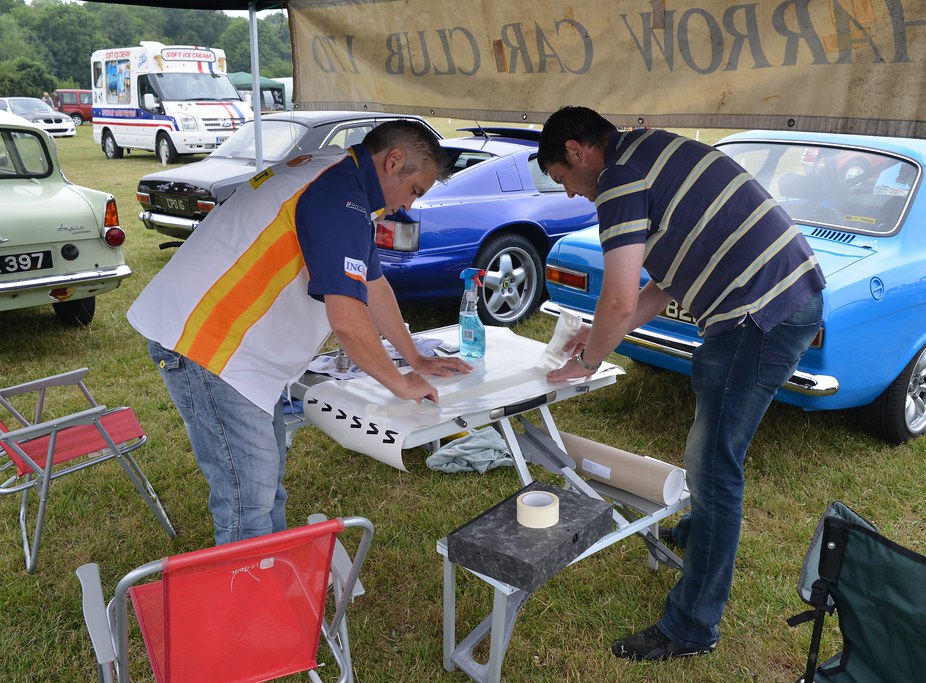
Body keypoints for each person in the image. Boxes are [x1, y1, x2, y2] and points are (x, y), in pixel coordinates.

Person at [537, 107, 826, 662]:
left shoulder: (617, 180)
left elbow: (619, 298)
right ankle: (697, 533)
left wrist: (588, 360)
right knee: (713, 440)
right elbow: (662, 284)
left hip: (756, 313)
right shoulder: (649, 151)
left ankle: (692, 625)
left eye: (562, 179)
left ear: (576, 152)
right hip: (783, 294)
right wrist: (598, 339)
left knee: (714, 466)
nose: (572, 194)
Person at [128, 120, 473, 545]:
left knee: (266, 489)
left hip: (236, 353)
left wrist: (416, 357)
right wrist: (400, 382)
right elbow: (347, 320)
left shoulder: (344, 181)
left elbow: (374, 285)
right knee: (247, 503)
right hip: (208, 346)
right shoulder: (338, 193)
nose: (407, 205)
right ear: (394, 160)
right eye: (415, 190)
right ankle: (249, 603)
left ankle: (267, 584)